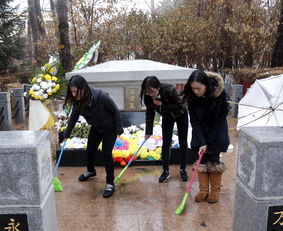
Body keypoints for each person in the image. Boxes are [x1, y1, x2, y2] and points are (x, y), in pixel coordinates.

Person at [63, 75, 124, 198]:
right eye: (72, 92)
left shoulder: (101, 96)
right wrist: (67, 132)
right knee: (90, 150)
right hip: (96, 127)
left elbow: (115, 111)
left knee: (106, 154)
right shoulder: (78, 100)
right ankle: (91, 171)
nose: (74, 94)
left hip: (109, 128)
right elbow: (74, 116)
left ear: (83, 88)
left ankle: (110, 182)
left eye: (76, 91)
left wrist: (119, 129)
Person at [182, 70, 229, 203]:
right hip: (200, 131)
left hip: (217, 130)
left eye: (199, 88)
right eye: (193, 88)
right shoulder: (192, 98)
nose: (196, 91)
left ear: (206, 85)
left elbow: (221, 117)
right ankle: (203, 190)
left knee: (214, 160)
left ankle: (215, 191)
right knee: (201, 161)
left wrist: (209, 140)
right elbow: (195, 121)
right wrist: (202, 141)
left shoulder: (218, 94)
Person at [140, 76, 189, 183]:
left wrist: (162, 105)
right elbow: (150, 114)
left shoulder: (169, 89)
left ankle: (183, 169)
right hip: (167, 117)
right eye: (146, 92)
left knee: (183, 142)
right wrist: (148, 132)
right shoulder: (148, 97)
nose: (149, 94)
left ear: (158, 87)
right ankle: (165, 171)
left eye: (151, 91)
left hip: (181, 115)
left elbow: (180, 105)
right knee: (166, 143)